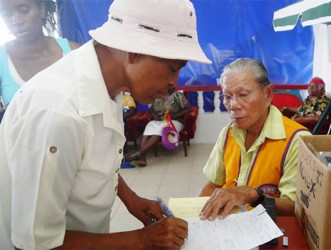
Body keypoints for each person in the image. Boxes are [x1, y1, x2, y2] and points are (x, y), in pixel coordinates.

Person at [0, 0, 211, 249]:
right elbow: (38, 243)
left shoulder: (110, 85)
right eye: (172, 69)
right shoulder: (57, 114)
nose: (173, 83)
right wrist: (144, 239)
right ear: (135, 51)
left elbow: (94, 156)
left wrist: (132, 200)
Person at [197, 58, 311, 221]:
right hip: (229, 226)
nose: (233, 105)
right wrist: (195, 219)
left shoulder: (297, 140)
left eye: (243, 95)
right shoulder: (228, 133)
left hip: (271, 231)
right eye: (227, 96)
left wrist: (253, 195)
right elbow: (213, 184)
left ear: (268, 94)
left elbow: (294, 207)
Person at [0, 0, 79, 108]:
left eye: (24, 11)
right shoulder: (2, 60)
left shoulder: (74, 52)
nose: (16, 21)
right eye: (7, 14)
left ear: (41, 9)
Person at [126, 85, 193, 167]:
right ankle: (142, 157)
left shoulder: (177, 95)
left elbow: (189, 109)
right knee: (149, 126)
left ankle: (140, 153)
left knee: (161, 129)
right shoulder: (157, 97)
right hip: (160, 120)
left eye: (171, 86)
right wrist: (155, 116)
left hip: (175, 121)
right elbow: (151, 109)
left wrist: (176, 115)